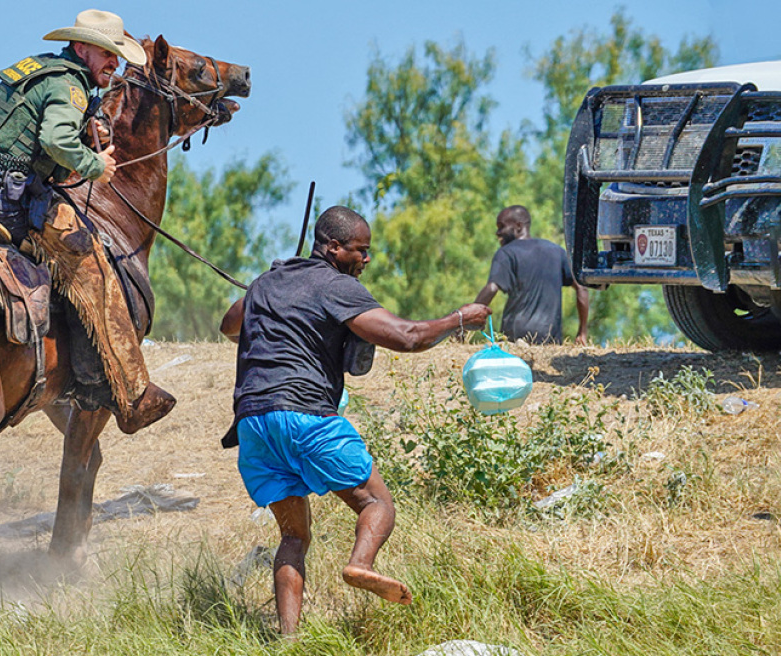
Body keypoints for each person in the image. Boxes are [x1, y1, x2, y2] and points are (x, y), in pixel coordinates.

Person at [219, 206, 491, 634]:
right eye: (360, 250)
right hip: (306, 415)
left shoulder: (267, 282)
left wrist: (269, 288)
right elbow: (407, 336)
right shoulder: (336, 286)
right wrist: (459, 319)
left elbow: (229, 324)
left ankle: (288, 639)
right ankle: (360, 564)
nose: (366, 259)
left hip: (253, 425)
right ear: (332, 247)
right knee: (376, 503)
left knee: (293, 537)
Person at [0, 9, 174, 433]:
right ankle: (132, 393)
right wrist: (95, 164)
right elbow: (55, 139)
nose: (114, 64)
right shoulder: (71, 86)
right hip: (7, 201)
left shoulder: (41, 71)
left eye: (117, 57)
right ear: (81, 48)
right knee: (94, 266)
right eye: (107, 53)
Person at [474, 205, 589, 345]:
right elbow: (581, 287)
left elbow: (492, 288)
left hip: (515, 336)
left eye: (501, 226)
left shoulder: (507, 253)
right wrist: (582, 332)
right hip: (550, 339)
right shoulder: (557, 252)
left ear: (518, 226)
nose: (498, 233)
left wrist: (465, 320)